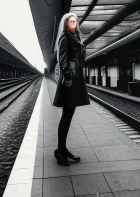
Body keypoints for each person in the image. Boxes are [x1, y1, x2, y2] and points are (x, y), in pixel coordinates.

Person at [52, 12, 90, 166]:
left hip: (75, 79)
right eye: (71, 21)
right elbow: (63, 59)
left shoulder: (74, 37)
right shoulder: (64, 38)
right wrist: (68, 77)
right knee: (66, 116)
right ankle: (59, 152)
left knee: (68, 115)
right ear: (66, 23)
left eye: (75, 21)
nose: (74, 23)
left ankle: (62, 149)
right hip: (70, 80)